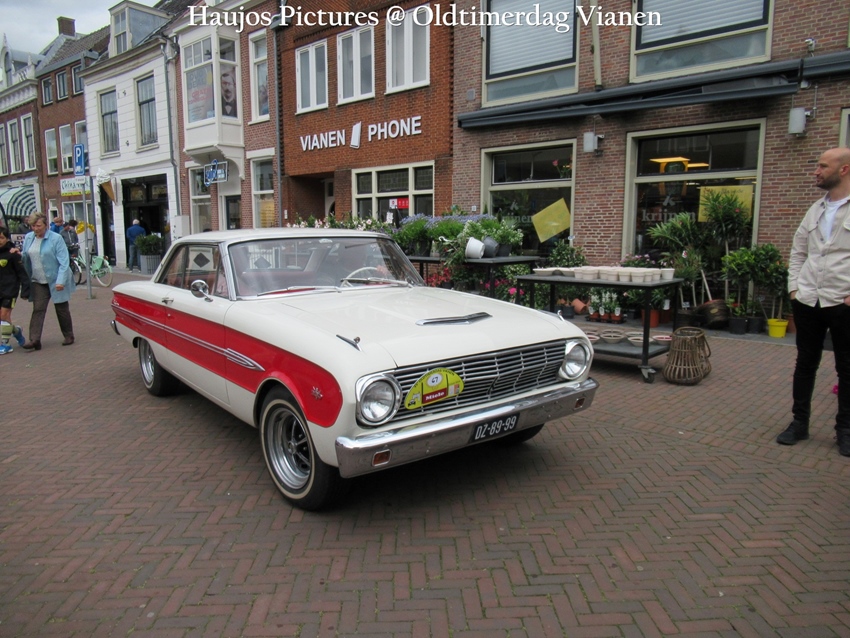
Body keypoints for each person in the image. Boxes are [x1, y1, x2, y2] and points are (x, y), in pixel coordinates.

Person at [777, 147, 850, 456]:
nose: (816, 171)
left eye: (822, 166)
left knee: (847, 368)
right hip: (808, 300)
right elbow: (798, 252)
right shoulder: (815, 210)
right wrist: (795, 289)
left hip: (843, 302)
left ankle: (845, 430)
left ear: (844, 170)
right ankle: (799, 423)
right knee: (805, 364)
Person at [21, 212, 76, 350]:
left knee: (61, 308)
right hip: (38, 280)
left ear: (46, 225)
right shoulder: (29, 237)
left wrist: (61, 281)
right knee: (38, 309)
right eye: (33, 226)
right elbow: (25, 256)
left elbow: (64, 262)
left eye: (38, 226)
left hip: (55, 278)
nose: (35, 229)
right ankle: (34, 340)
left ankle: (68, 335)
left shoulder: (56, 238)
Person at [0, 228, 30, 353]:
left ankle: (5, 344)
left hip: (10, 290)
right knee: (2, 318)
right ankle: (17, 331)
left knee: (4, 315)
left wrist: (25, 290)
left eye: (1, 238)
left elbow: (22, 273)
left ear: (7, 238)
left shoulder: (13, 254)